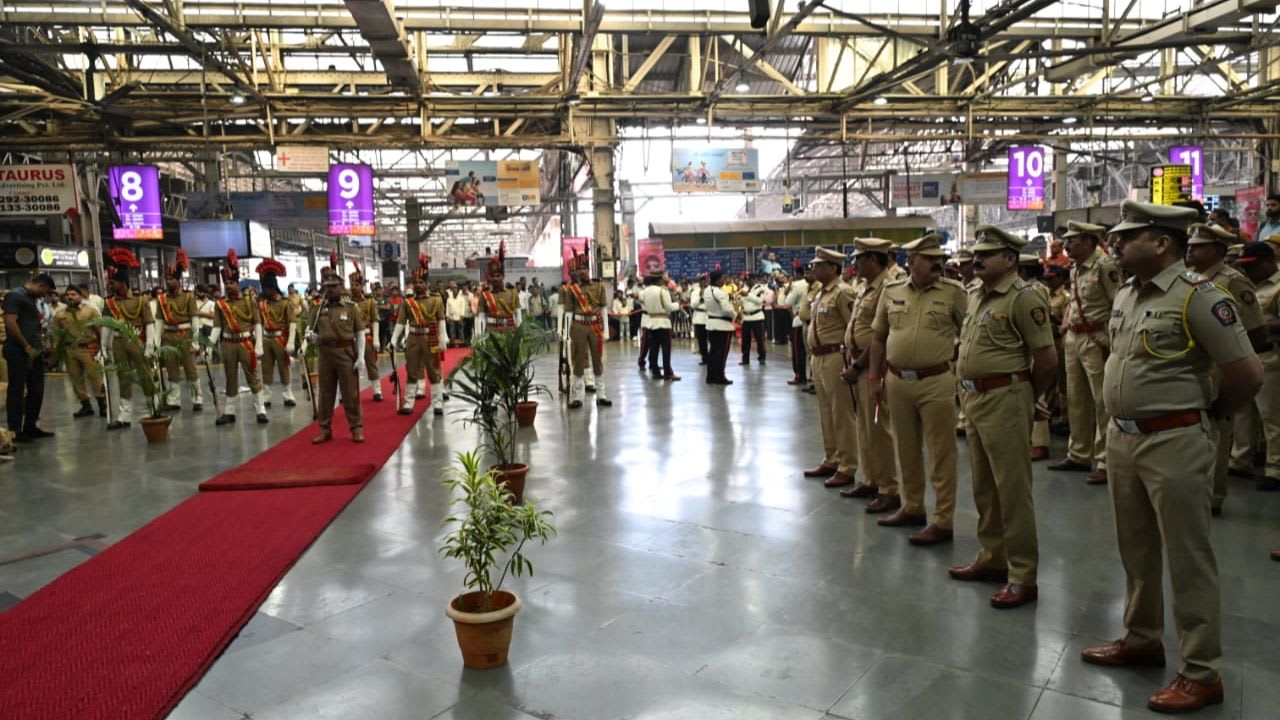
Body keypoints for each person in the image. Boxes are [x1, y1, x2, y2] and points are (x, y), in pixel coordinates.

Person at [1080, 201, 1263, 713]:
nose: (1116, 243)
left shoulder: (1200, 298)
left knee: (1188, 556)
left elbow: (1247, 374)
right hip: (1123, 439)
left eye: (1128, 236)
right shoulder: (1127, 293)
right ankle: (1141, 638)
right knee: (1135, 547)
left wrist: (1208, 417)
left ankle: (1202, 672)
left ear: (1162, 242)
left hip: (1175, 441)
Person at [950, 226, 1057, 610]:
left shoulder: (1024, 299)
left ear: (1010, 260)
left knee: (1012, 491)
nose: (976, 259)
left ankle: (1023, 575)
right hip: (975, 400)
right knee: (984, 488)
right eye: (976, 253)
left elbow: (1046, 360)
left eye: (987, 254)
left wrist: (1029, 396)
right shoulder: (977, 295)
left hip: (1005, 398)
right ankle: (993, 558)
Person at [866, 234, 967, 542]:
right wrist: (874, 378)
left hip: (936, 381)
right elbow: (879, 337)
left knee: (941, 453)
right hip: (897, 381)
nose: (938, 263)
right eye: (930, 258)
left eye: (940, 258)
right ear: (911, 262)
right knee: (905, 448)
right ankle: (912, 507)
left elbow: (970, 334)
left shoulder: (954, 293)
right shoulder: (891, 291)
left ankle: (943, 519)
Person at [1180, 222, 1267, 516]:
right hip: (1194, 362)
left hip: (1221, 363)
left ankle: (1213, 495)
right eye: (1190, 245)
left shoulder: (1233, 281)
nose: (1190, 249)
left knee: (1217, 429)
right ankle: (1192, 491)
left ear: (1217, 249)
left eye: (1199, 246)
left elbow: (1256, 331)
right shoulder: (1188, 278)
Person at [1046, 222, 1121, 482]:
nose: (1066, 245)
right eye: (1066, 240)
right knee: (1076, 398)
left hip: (1096, 338)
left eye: (1073, 240)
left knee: (1102, 401)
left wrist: (1111, 342)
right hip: (1075, 337)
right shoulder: (1077, 267)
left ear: (1090, 242)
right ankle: (1078, 453)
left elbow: (1117, 306)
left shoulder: (1105, 266)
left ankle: (1104, 461)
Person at [838, 238, 903, 511]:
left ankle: (888, 488)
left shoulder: (887, 288)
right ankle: (871, 480)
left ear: (874, 260)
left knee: (878, 429)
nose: (855, 264)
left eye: (860, 259)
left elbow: (881, 336)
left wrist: (859, 366)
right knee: (865, 427)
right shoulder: (866, 289)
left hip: (872, 368)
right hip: (859, 365)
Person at [802, 247, 859, 488]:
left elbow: (853, 327)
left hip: (836, 356)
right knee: (826, 412)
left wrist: (852, 360)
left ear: (833, 268)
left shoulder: (843, 292)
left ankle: (847, 465)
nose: (813, 268)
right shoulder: (822, 293)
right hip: (818, 357)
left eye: (819, 265)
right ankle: (832, 458)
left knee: (841, 413)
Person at [1234, 241, 1280, 492]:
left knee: (1271, 415)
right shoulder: (1248, 284)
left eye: (1251, 266)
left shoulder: (1278, 286)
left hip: (1271, 355)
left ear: (1267, 261)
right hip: (1246, 354)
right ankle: (1241, 459)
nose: (1246, 271)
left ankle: (1275, 468)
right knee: (1243, 412)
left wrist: (1258, 326)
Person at [307, 270, 367, 442]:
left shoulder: (351, 307)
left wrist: (361, 357)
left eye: (333, 286)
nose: (330, 290)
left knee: (350, 393)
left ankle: (356, 428)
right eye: (327, 287)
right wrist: (312, 338)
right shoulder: (318, 309)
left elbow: (360, 332)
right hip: (325, 354)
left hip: (345, 353)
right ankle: (324, 428)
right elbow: (312, 330)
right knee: (325, 393)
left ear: (341, 287)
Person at [210, 251, 268, 426]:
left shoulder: (249, 301)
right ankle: (229, 412)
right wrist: (208, 345)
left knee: (253, 376)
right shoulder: (221, 304)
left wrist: (258, 344)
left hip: (245, 343)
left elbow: (257, 323)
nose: (228, 286)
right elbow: (217, 326)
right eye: (226, 283)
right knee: (230, 377)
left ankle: (260, 410)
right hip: (227, 343)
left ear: (237, 283)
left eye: (231, 282)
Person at [100, 249, 151, 430]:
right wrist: (104, 346)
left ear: (123, 282)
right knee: (123, 377)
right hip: (118, 341)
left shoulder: (140, 300)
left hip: (137, 340)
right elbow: (106, 325)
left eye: (112, 283)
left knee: (144, 374)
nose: (110, 286)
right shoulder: (109, 303)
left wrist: (150, 344)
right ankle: (124, 416)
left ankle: (151, 408)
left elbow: (149, 323)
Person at [391, 254, 447, 416]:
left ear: (427, 283)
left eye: (420, 282)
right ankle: (408, 402)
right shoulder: (408, 302)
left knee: (434, 371)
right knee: (412, 370)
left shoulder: (436, 300)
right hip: (413, 339)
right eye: (415, 282)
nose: (417, 285)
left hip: (431, 338)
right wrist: (394, 340)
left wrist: (443, 338)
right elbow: (401, 322)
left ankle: (437, 403)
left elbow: (441, 320)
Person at [4, 272, 56, 440]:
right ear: (41, 285)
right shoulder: (15, 296)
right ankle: (15, 430)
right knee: (17, 389)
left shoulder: (32, 299)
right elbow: (10, 323)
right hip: (18, 351)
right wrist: (25, 346)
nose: (45, 296)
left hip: (34, 352)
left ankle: (30, 426)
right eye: (46, 292)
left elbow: (33, 325)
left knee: (36, 389)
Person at [561, 252, 614, 407]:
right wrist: (566, 333)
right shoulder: (572, 289)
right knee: (578, 361)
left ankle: (601, 395)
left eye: (585, 267)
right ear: (576, 271)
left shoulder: (598, 286)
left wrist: (606, 331)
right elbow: (568, 312)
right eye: (580, 268)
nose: (583, 271)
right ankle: (578, 396)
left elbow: (603, 308)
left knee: (598, 360)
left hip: (595, 327)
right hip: (578, 326)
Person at [154, 250, 204, 413]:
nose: (168, 282)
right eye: (167, 279)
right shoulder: (162, 299)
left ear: (178, 280)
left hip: (185, 335)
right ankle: (173, 400)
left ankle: (197, 398)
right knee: (171, 369)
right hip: (168, 336)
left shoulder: (188, 297)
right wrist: (155, 342)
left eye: (171, 279)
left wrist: (196, 340)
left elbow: (195, 318)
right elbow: (159, 321)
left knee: (190, 369)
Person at [51, 285, 106, 419]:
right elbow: (56, 335)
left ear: (81, 296)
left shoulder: (91, 311)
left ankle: (102, 405)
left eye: (73, 294)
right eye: (68, 294)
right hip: (69, 350)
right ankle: (85, 405)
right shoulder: (60, 314)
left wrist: (103, 348)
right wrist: (55, 352)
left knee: (95, 378)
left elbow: (100, 330)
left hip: (88, 349)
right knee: (75, 379)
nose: (70, 296)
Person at [255, 258, 299, 409]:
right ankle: (266, 396)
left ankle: (288, 394)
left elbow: (292, 322)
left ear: (273, 287)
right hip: (266, 338)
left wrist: (291, 341)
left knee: (283, 367)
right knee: (266, 368)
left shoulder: (285, 303)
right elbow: (259, 323)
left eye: (266, 287)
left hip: (280, 338)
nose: (264, 291)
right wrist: (258, 343)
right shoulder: (261, 303)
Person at [346, 264, 383, 402]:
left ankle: (377, 390)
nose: (353, 287)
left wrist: (376, 339)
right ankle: (350, 392)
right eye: (351, 284)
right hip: (350, 337)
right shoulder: (346, 302)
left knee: (371, 364)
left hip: (366, 336)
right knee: (349, 366)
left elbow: (375, 321)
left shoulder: (369, 302)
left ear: (362, 286)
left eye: (356, 284)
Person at [640, 271, 680, 381]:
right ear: (660, 280)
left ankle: (656, 372)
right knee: (666, 349)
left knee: (654, 348)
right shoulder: (663, 291)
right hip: (663, 322)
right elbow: (668, 307)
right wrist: (677, 304)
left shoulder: (645, 292)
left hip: (651, 322)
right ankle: (668, 372)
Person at [477, 245, 520, 334]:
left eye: (498, 276)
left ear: (503, 277)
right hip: (491, 332)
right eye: (493, 276)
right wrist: (480, 335)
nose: (495, 279)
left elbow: (518, 313)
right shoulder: (485, 294)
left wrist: (520, 332)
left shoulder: (512, 292)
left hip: (509, 330)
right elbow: (481, 316)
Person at [779, 262, 810, 386]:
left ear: (797, 274)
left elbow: (786, 302)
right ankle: (812, 378)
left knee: (798, 351)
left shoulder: (797, 285)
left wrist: (789, 286)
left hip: (798, 320)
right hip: (811, 319)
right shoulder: (815, 284)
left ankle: (799, 375)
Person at [703, 270, 735, 385]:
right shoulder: (721, 293)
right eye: (722, 278)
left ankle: (710, 376)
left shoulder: (707, 291)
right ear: (717, 280)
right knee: (721, 353)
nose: (724, 280)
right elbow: (727, 310)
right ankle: (720, 376)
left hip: (711, 324)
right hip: (723, 325)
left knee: (713, 352)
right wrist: (735, 314)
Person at [738, 274, 767, 366]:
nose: (748, 282)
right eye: (747, 280)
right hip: (746, 317)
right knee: (745, 340)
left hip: (757, 316)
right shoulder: (744, 288)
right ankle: (745, 358)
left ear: (755, 279)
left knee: (760, 339)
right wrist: (740, 298)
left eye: (750, 279)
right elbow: (741, 301)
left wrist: (748, 295)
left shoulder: (760, 288)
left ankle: (762, 357)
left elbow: (759, 301)